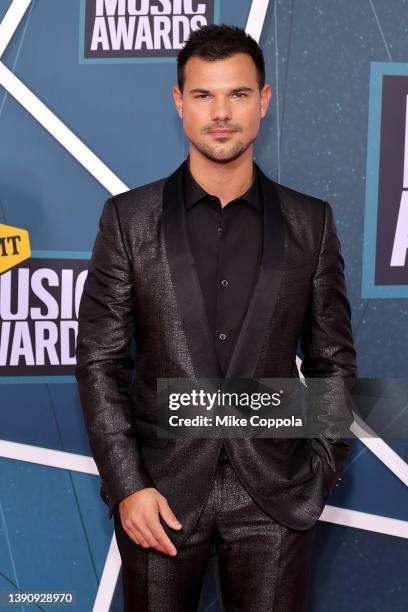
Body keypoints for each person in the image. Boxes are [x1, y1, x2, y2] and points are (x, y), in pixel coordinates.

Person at [75, 23, 357, 612]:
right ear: (179, 103)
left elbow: (332, 362)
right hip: (159, 496)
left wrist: (319, 473)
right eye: (203, 95)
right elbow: (100, 362)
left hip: (277, 500)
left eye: (238, 94)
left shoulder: (312, 222)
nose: (221, 113)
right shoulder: (128, 220)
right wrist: (129, 487)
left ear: (264, 101)